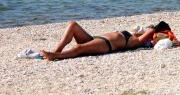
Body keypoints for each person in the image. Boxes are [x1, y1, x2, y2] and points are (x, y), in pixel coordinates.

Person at [40, 20, 170, 61]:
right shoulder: (135, 35)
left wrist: (155, 30)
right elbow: (145, 30)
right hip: (95, 38)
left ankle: (56, 56)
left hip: (106, 45)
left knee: (78, 49)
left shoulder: (137, 41)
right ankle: (57, 50)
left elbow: (151, 31)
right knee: (72, 25)